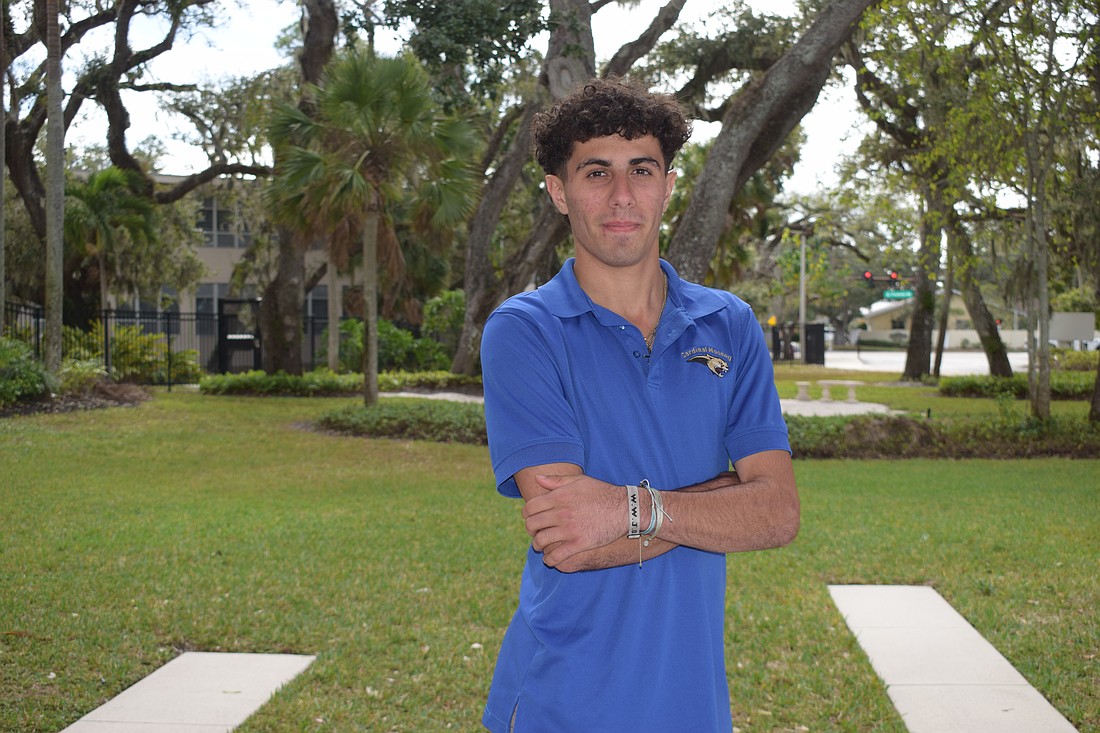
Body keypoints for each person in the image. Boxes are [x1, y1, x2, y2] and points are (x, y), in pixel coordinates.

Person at [479, 76, 800, 733]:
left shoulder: (730, 325)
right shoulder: (525, 330)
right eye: (596, 172)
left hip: (693, 703)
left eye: (642, 170)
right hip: (560, 700)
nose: (622, 195)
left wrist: (631, 509)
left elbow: (777, 513)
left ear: (668, 186)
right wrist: (727, 498)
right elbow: (573, 541)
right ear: (558, 191)